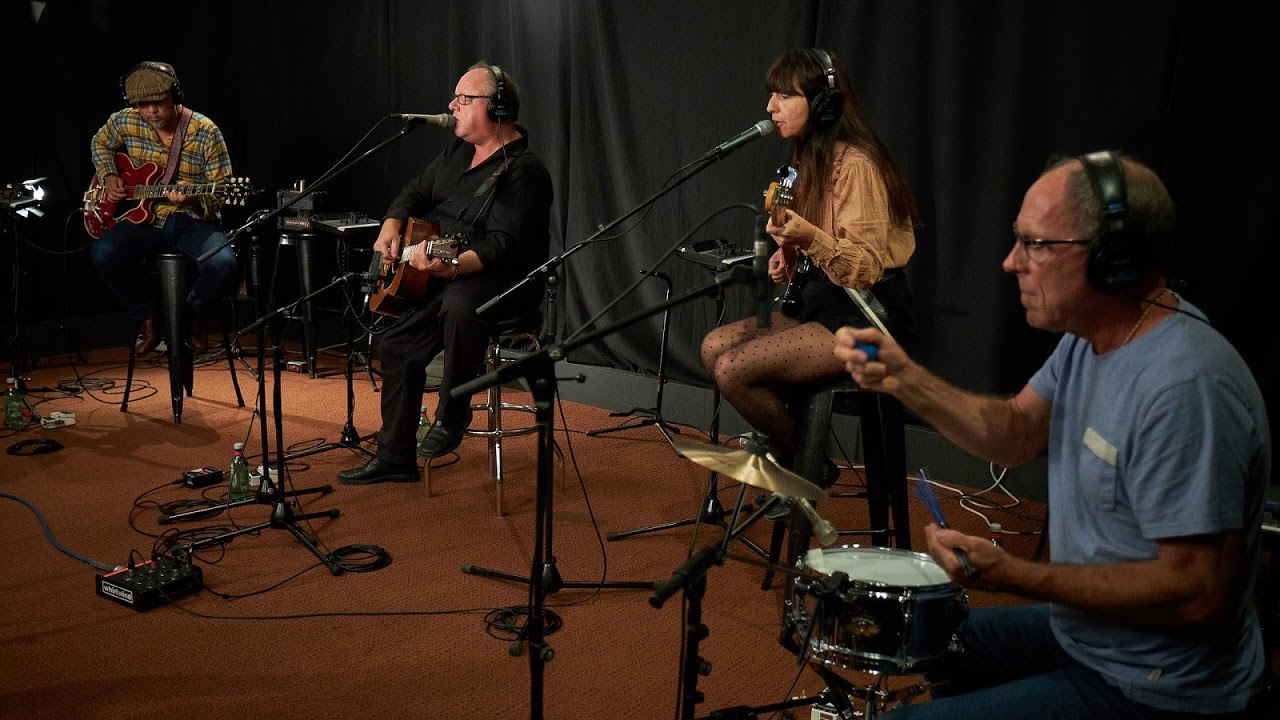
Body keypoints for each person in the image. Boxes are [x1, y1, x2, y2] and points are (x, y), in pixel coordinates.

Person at [834, 151, 1270, 718]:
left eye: (1036, 244)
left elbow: (1197, 594)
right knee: (927, 635)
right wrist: (906, 379)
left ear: (1114, 260)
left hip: (1160, 686)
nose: (1011, 262)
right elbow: (1015, 432)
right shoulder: (1091, 339)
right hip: (1091, 634)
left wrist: (1014, 574)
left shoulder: (1186, 388)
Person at [700, 48, 918, 488]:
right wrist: (788, 253)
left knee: (733, 368)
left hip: (869, 319)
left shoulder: (857, 164)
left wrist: (808, 238)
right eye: (771, 95)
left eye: (783, 95)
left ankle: (800, 462)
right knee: (712, 348)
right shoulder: (804, 161)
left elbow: (865, 269)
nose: (770, 107)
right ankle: (801, 458)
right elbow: (797, 229)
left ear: (822, 104)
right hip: (820, 306)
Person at [338, 61, 552, 486]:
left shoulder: (524, 171)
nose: (452, 105)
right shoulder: (456, 152)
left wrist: (451, 265)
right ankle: (395, 457)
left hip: (501, 282)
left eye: (465, 98)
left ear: (499, 109)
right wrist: (391, 225)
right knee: (395, 341)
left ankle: (453, 414)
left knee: (460, 304)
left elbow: (501, 246)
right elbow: (414, 192)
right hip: (443, 274)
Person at [88, 61, 238, 354]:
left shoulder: (205, 131)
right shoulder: (125, 121)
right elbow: (100, 143)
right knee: (103, 253)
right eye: (143, 105)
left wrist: (194, 198)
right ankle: (146, 314)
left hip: (191, 221)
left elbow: (221, 190)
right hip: (144, 221)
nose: (151, 111)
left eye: (158, 103)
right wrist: (108, 174)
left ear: (175, 96)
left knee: (224, 264)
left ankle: (188, 318)